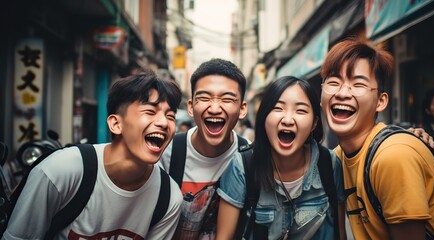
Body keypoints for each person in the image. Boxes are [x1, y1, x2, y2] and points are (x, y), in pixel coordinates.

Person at [3, 70, 183, 239]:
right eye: (150, 112)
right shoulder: (60, 171)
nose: (164, 122)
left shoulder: (168, 198)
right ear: (115, 124)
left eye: (170, 116)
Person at [319, 38, 434, 239]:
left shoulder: (393, 156)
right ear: (321, 95)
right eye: (334, 82)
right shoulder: (337, 158)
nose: (342, 93)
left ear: (381, 101)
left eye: (358, 84)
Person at [217, 76, 347, 240]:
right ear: (264, 117)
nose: (287, 120)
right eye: (278, 109)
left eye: (300, 111)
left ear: (314, 123)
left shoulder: (329, 164)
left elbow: (340, 233)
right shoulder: (242, 166)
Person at [158, 58, 248, 239]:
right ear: (191, 107)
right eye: (204, 98)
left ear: (242, 109)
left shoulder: (250, 157)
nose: (214, 108)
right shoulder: (166, 153)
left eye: (227, 99)